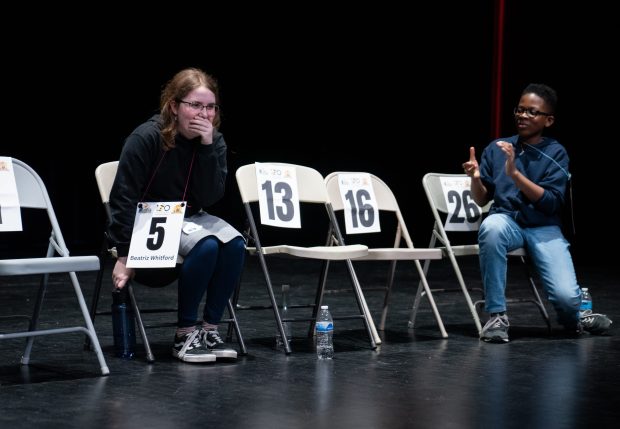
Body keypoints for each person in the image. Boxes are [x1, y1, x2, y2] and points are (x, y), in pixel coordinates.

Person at [108, 68, 246, 362]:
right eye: (194, 105)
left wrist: (208, 147)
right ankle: (185, 334)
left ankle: (209, 330)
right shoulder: (147, 136)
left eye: (210, 107)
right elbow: (122, 196)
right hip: (150, 219)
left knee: (234, 244)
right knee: (206, 245)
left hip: (191, 217)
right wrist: (124, 254)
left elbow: (210, 197)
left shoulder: (214, 142)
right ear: (174, 105)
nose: (203, 113)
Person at [462, 83, 612, 343]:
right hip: (508, 220)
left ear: (548, 120)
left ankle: (578, 310)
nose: (523, 116)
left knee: (566, 302)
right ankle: (497, 315)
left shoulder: (555, 152)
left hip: (543, 227)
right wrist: (475, 178)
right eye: (520, 110)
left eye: (532, 112)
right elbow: (481, 198)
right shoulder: (498, 147)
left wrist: (516, 175)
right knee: (491, 227)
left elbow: (552, 203)